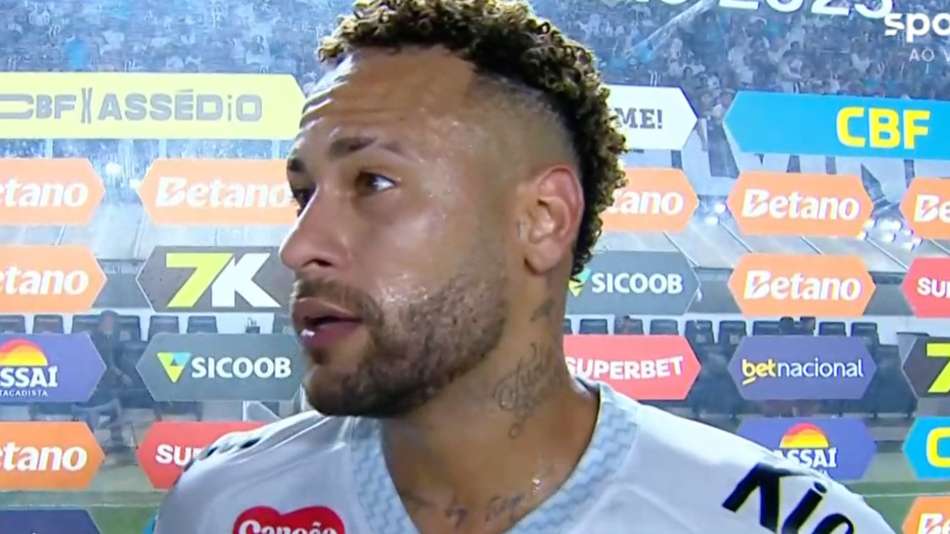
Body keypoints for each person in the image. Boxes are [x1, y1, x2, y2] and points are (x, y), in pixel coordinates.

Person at [153, 0, 893, 532]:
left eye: (372, 182)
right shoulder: (219, 503)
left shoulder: (779, 521)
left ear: (543, 220)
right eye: (303, 194)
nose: (298, 247)